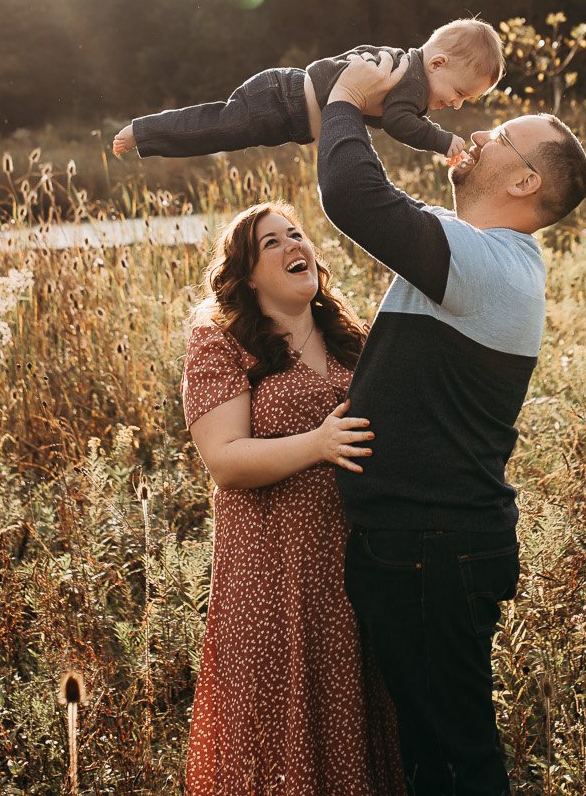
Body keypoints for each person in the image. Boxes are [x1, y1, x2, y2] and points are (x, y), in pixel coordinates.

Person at [316, 50, 586, 795]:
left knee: (456, 763)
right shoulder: (481, 254)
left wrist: (345, 95)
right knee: (436, 759)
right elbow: (378, 200)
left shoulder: (487, 265)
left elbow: (350, 192)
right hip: (425, 548)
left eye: (501, 132)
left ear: (525, 179)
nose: (479, 133)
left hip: (431, 551)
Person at [181, 201, 407, 796]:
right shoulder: (222, 345)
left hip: (356, 561)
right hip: (270, 567)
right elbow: (225, 459)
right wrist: (318, 444)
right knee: (276, 725)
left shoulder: (350, 339)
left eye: (297, 234)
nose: (292, 246)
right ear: (248, 275)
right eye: (271, 243)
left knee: (353, 711)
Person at [114, 19, 504, 165]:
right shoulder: (412, 82)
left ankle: (147, 135)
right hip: (282, 100)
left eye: (465, 102)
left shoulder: (409, 76)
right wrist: (444, 142)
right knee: (215, 128)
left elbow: (393, 117)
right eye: (459, 93)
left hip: (284, 102)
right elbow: (401, 123)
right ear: (437, 64)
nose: (455, 104)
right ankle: (143, 132)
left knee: (219, 126)